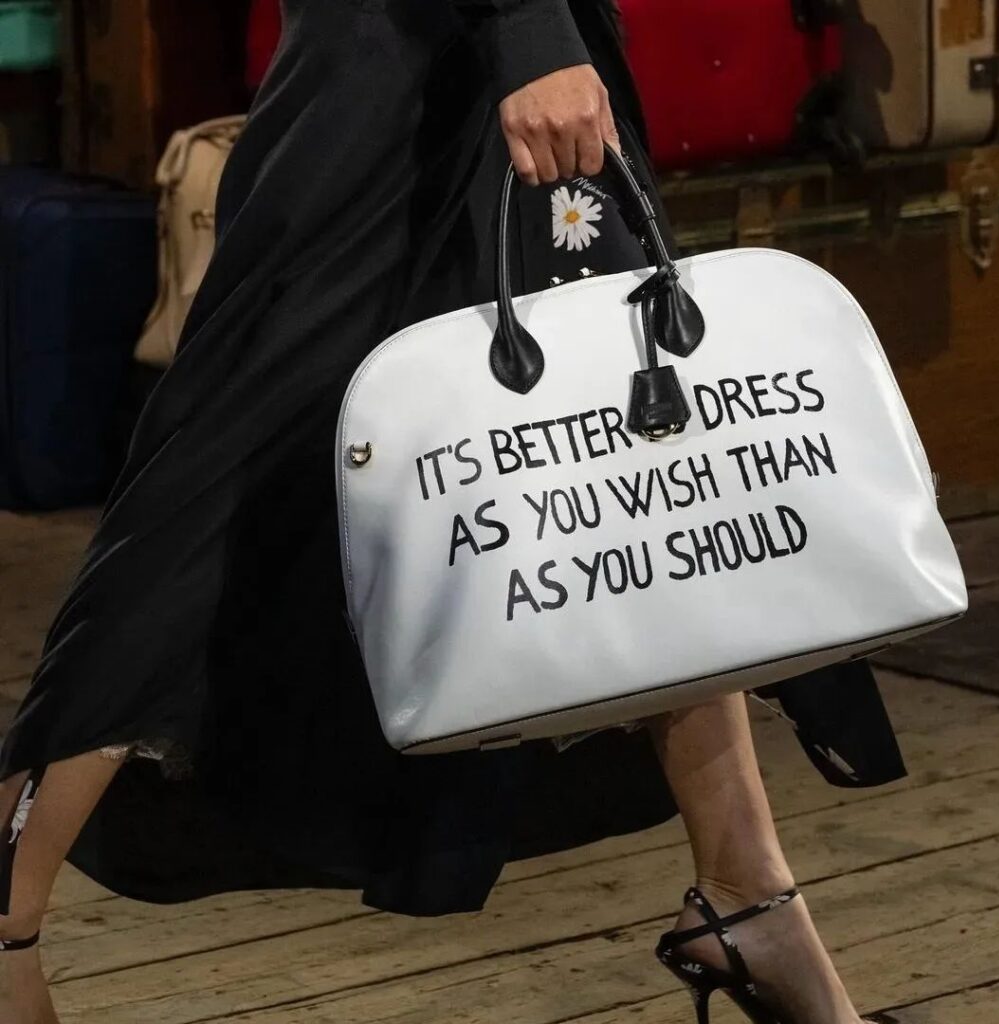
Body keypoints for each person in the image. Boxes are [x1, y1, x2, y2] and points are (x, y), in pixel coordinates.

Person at [0, 2, 904, 1022]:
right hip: (413, 67)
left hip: (498, 59)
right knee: (216, 489)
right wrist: (530, 31)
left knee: (641, 470)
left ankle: (751, 893)